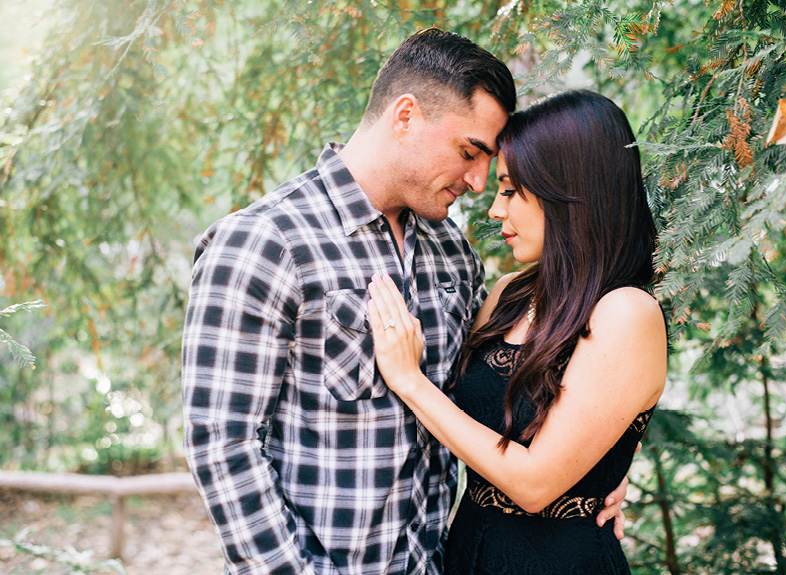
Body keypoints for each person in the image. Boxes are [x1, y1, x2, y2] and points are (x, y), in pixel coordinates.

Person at [182, 29, 628, 575]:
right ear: (405, 116)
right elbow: (224, 447)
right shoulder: (263, 244)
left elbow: (509, 384)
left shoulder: (452, 254)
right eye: (470, 152)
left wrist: (593, 471)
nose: (479, 180)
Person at [366, 90, 668, 574]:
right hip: (468, 552)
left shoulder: (627, 312)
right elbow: (471, 422)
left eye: (508, 190)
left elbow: (532, 485)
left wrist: (409, 381)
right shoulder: (508, 294)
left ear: (568, 191)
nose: (494, 210)